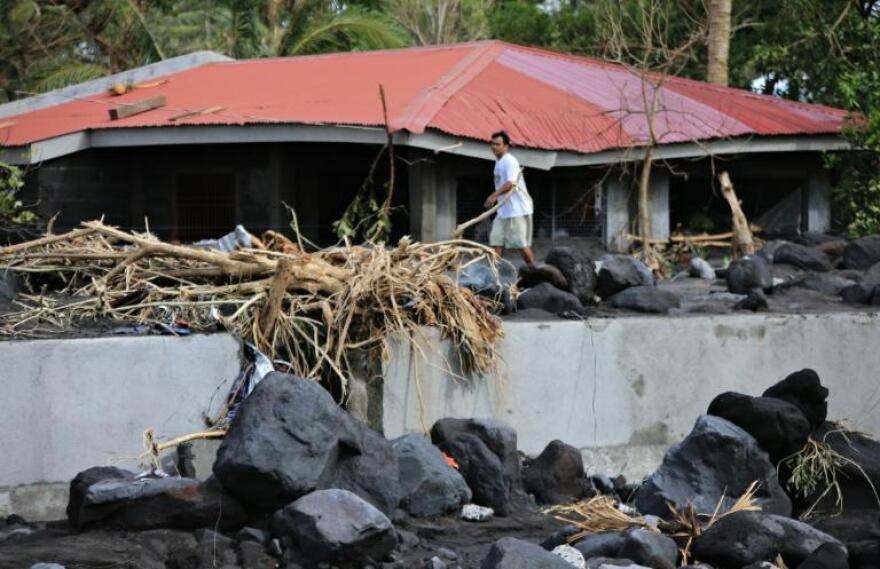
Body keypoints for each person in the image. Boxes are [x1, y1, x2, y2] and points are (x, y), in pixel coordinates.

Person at [484, 130, 535, 265]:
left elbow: (511, 183)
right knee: (496, 242)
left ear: (506, 146)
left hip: (517, 211)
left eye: (497, 144)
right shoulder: (498, 161)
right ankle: (494, 274)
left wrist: (494, 195)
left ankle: (535, 271)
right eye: (492, 144)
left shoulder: (509, 161)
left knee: (521, 245)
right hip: (503, 212)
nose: (494, 147)